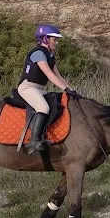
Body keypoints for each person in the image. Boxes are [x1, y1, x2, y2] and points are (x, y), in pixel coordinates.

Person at [18, 24, 78, 154]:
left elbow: (57, 75)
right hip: (27, 88)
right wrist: (65, 89)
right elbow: (49, 75)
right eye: (54, 39)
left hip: (39, 88)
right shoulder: (38, 53)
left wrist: (70, 89)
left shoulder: (50, 54)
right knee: (43, 108)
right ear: (45, 38)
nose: (56, 42)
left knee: (56, 105)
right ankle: (33, 142)